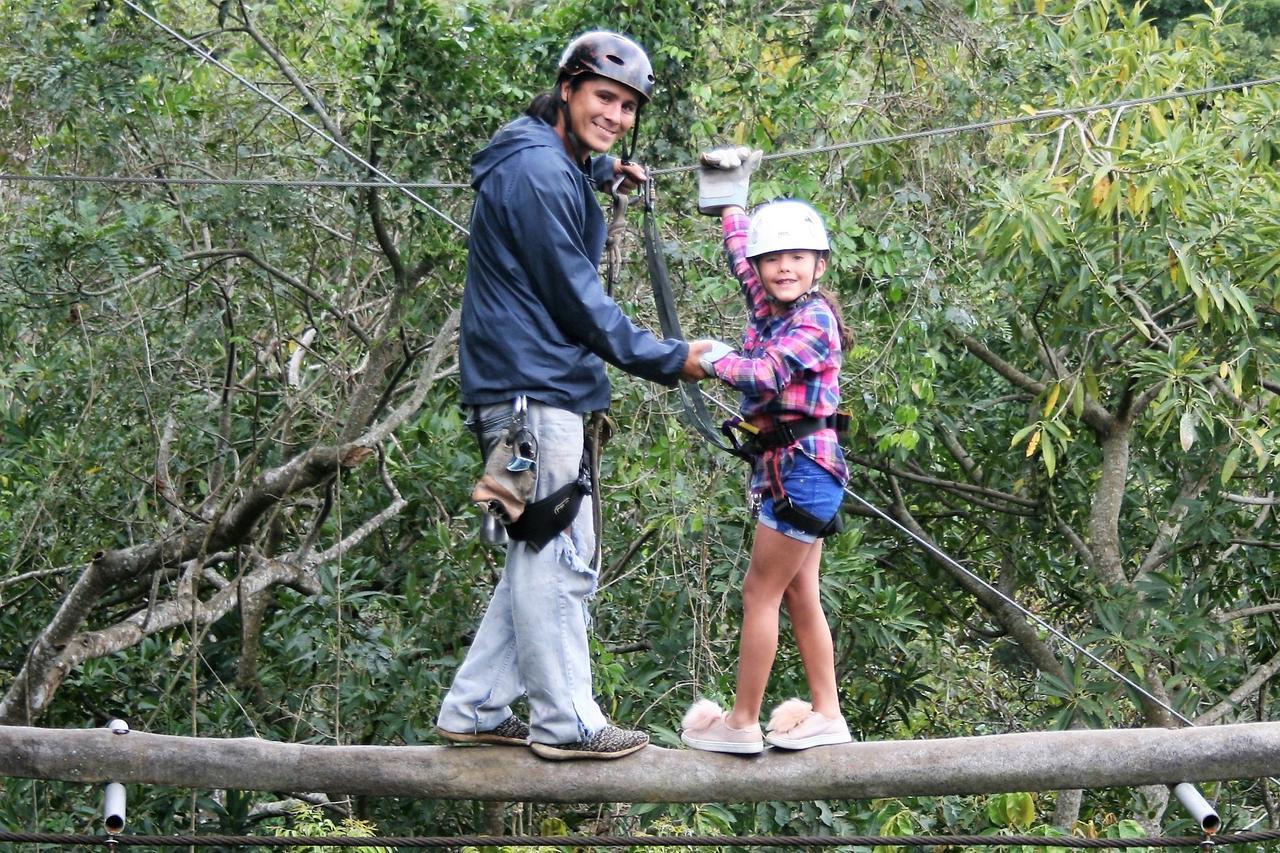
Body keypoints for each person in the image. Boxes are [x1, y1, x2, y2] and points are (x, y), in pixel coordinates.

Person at [434, 31, 714, 761]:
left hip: (530, 382)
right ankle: (568, 722)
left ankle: (475, 706)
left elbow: (553, 196)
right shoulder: (535, 173)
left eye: (626, 106)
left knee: (539, 547)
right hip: (534, 391)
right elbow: (580, 303)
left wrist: (597, 175)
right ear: (569, 89)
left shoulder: (542, 157)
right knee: (559, 554)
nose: (615, 115)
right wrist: (671, 358)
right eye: (603, 98)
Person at [679, 147, 853, 754]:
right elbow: (740, 260)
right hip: (793, 471)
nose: (782, 267)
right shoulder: (772, 305)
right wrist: (731, 200)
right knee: (801, 592)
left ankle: (741, 722)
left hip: (804, 472)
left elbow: (765, 373)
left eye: (797, 258)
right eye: (773, 258)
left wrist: (709, 356)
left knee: (761, 594)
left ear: (819, 267)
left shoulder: (813, 323)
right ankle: (827, 713)